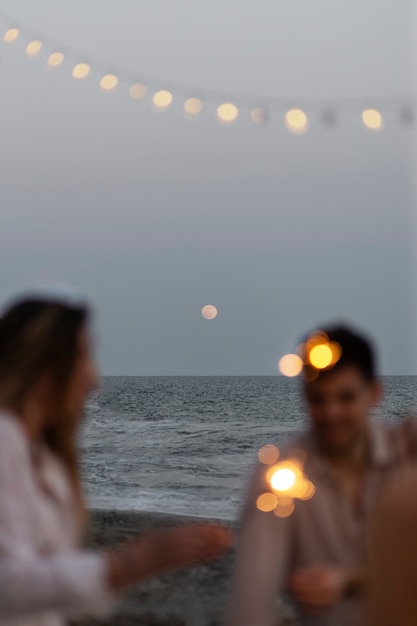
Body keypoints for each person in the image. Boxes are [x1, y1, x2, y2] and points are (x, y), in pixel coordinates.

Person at [0, 292, 232, 626]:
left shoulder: (48, 460)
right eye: (81, 358)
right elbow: (9, 582)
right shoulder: (5, 438)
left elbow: (61, 598)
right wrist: (133, 561)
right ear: (45, 367)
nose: (93, 377)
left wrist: (145, 563)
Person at [225, 324, 416, 626]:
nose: (331, 413)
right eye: (318, 399)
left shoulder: (408, 458)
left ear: (375, 393)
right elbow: (251, 598)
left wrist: (350, 580)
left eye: (346, 397)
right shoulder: (279, 474)